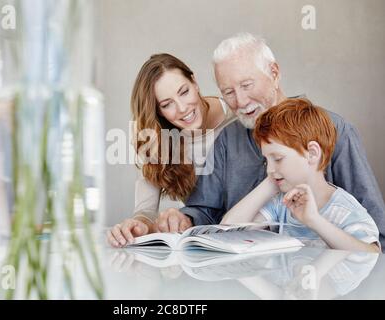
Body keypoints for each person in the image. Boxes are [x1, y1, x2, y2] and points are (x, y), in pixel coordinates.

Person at [156, 33, 385, 250]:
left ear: (274, 73)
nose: (241, 101)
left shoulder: (336, 131)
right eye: (229, 92)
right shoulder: (226, 139)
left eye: (246, 85)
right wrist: (184, 217)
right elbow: (206, 212)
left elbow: (375, 233)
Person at [107, 53, 236, 247]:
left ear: (194, 82)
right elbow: (145, 211)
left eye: (184, 92)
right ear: (158, 113)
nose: (183, 108)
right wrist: (139, 224)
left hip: (251, 236)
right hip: (202, 248)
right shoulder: (160, 142)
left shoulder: (238, 115)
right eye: (167, 104)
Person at [221, 98, 380, 253]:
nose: (269, 168)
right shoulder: (282, 203)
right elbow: (229, 230)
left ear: (312, 153)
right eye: (266, 160)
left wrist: (314, 221)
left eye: (277, 158)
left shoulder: (343, 209)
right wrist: (271, 181)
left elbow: (373, 255)